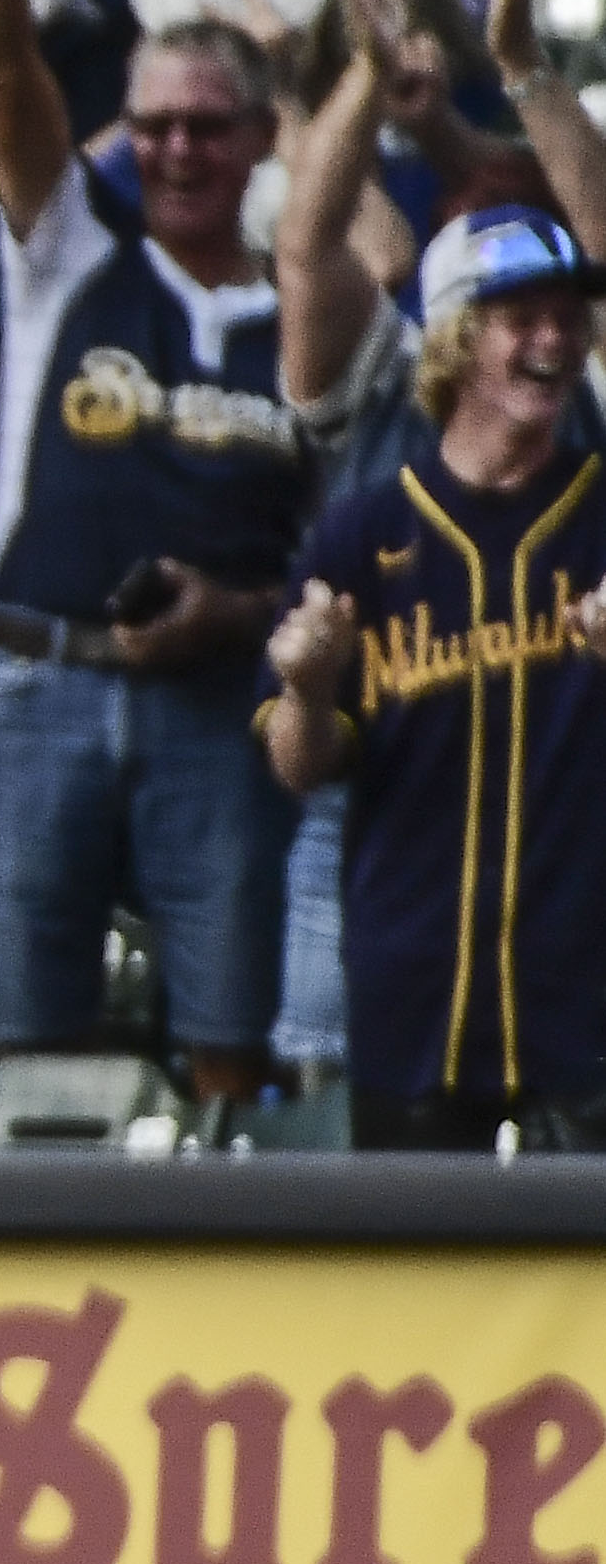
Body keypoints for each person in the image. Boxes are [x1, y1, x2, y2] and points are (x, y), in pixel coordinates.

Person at [0, 0, 306, 1100]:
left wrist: (237, 611)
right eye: (150, 126)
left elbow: (339, 556)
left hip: (220, 702)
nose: (173, 150)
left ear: (261, 137)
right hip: (36, 680)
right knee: (26, 1043)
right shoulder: (66, 255)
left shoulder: (307, 309)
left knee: (225, 1037)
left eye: (207, 125)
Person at [266, 206, 606, 1149]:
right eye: (520, 317)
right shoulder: (362, 531)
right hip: (413, 992)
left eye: (568, 316)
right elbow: (298, 765)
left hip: (582, 1002)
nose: (554, 339)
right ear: (456, 338)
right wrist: (307, 686)